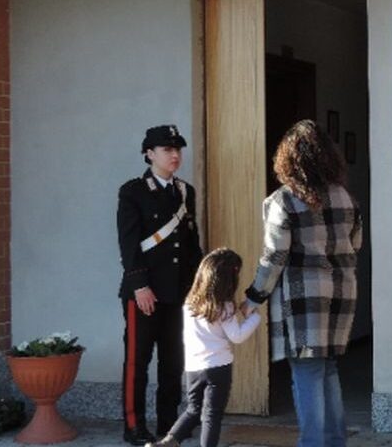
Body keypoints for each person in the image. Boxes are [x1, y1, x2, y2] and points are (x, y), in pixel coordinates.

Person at [245, 119, 363, 447]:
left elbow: (274, 256)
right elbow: (357, 243)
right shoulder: (346, 198)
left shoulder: (282, 200)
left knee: (307, 372)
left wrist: (254, 296)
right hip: (342, 290)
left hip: (303, 295)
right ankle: (334, 442)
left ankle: (312, 443)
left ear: (287, 158)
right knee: (327, 369)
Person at [117, 124, 205, 445]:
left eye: (178, 149)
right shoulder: (132, 191)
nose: (175, 155)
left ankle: (169, 426)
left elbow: (191, 246)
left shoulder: (185, 192)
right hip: (145, 293)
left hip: (177, 293)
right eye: (168, 150)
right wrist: (140, 286)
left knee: (173, 362)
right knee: (137, 363)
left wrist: (200, 287)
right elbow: (128, 244)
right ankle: (134, 427)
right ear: (149, 154)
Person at [146, 247, 261, 447]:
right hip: (218, 367)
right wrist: (254, 316)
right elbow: (238, 336)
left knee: (193, 410)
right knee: (212, 416)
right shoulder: (224, 306)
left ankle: (168, 441)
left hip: (193, 367)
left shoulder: (189, 304)